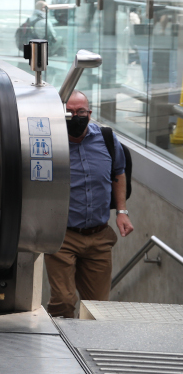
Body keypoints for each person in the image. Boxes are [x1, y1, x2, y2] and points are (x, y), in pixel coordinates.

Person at [45, 90, 133, 319]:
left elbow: (119, 174)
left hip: (99, 236)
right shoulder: (51, 143)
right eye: (70, 112)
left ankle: (86, 350)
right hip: (63, 236)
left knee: (98, 308)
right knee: (64, 301)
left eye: (80, 111)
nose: (76, 116)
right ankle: (60, 351)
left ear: (89, 113)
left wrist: (122, 212)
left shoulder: (107, 138)